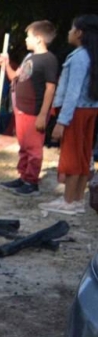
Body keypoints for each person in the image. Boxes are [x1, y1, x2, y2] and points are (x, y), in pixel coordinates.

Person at [43, 15, 98, 214]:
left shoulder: (79, 57)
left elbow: (72, 92)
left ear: (79, 33)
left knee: (72, 155)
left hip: (76, 112)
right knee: (84, 154)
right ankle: (76, 199)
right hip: (90, 109)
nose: (68, 33)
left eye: (71, 29)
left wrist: (62, 121)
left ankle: (68, 201)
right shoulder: (92, 55)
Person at [0, 21, 58, 196]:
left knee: (33, 147)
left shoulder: (48, 60)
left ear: (39, 39)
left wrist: (42, 114)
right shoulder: (28, 58)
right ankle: (23, 176)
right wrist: (6, 64)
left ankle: (31, 182)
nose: (25, 39)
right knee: (24, 145)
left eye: (28, 36)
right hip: (21, 110)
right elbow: (14, 78)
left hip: (35, 111)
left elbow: (50, 88)